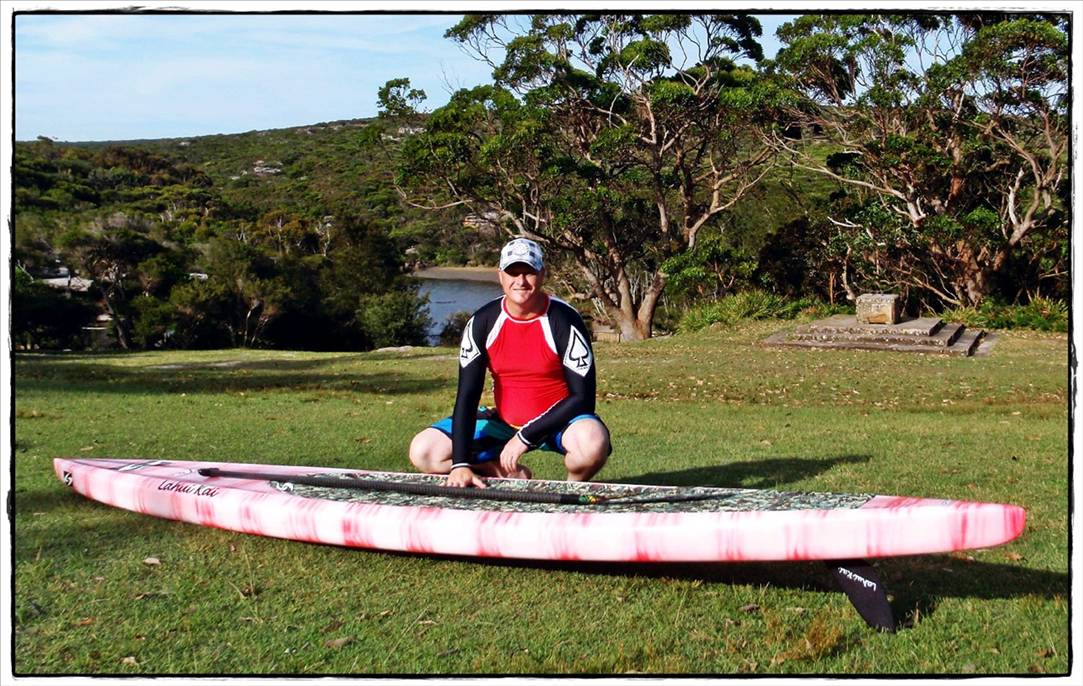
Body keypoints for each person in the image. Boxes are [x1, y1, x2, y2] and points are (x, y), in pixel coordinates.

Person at [409, 237, 611, 488]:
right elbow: (468, 394)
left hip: (559, 424)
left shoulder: (565, 320)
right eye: (512, 272)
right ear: (500, 275)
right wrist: (460, 463)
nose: (521, 281)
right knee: (423, 451)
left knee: (592, 444)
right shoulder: (482, 322)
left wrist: (526, 436)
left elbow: (583, 398)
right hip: (504, 422)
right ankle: (497, 470)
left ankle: (571, 492)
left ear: (543, 274)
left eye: (529, 271)